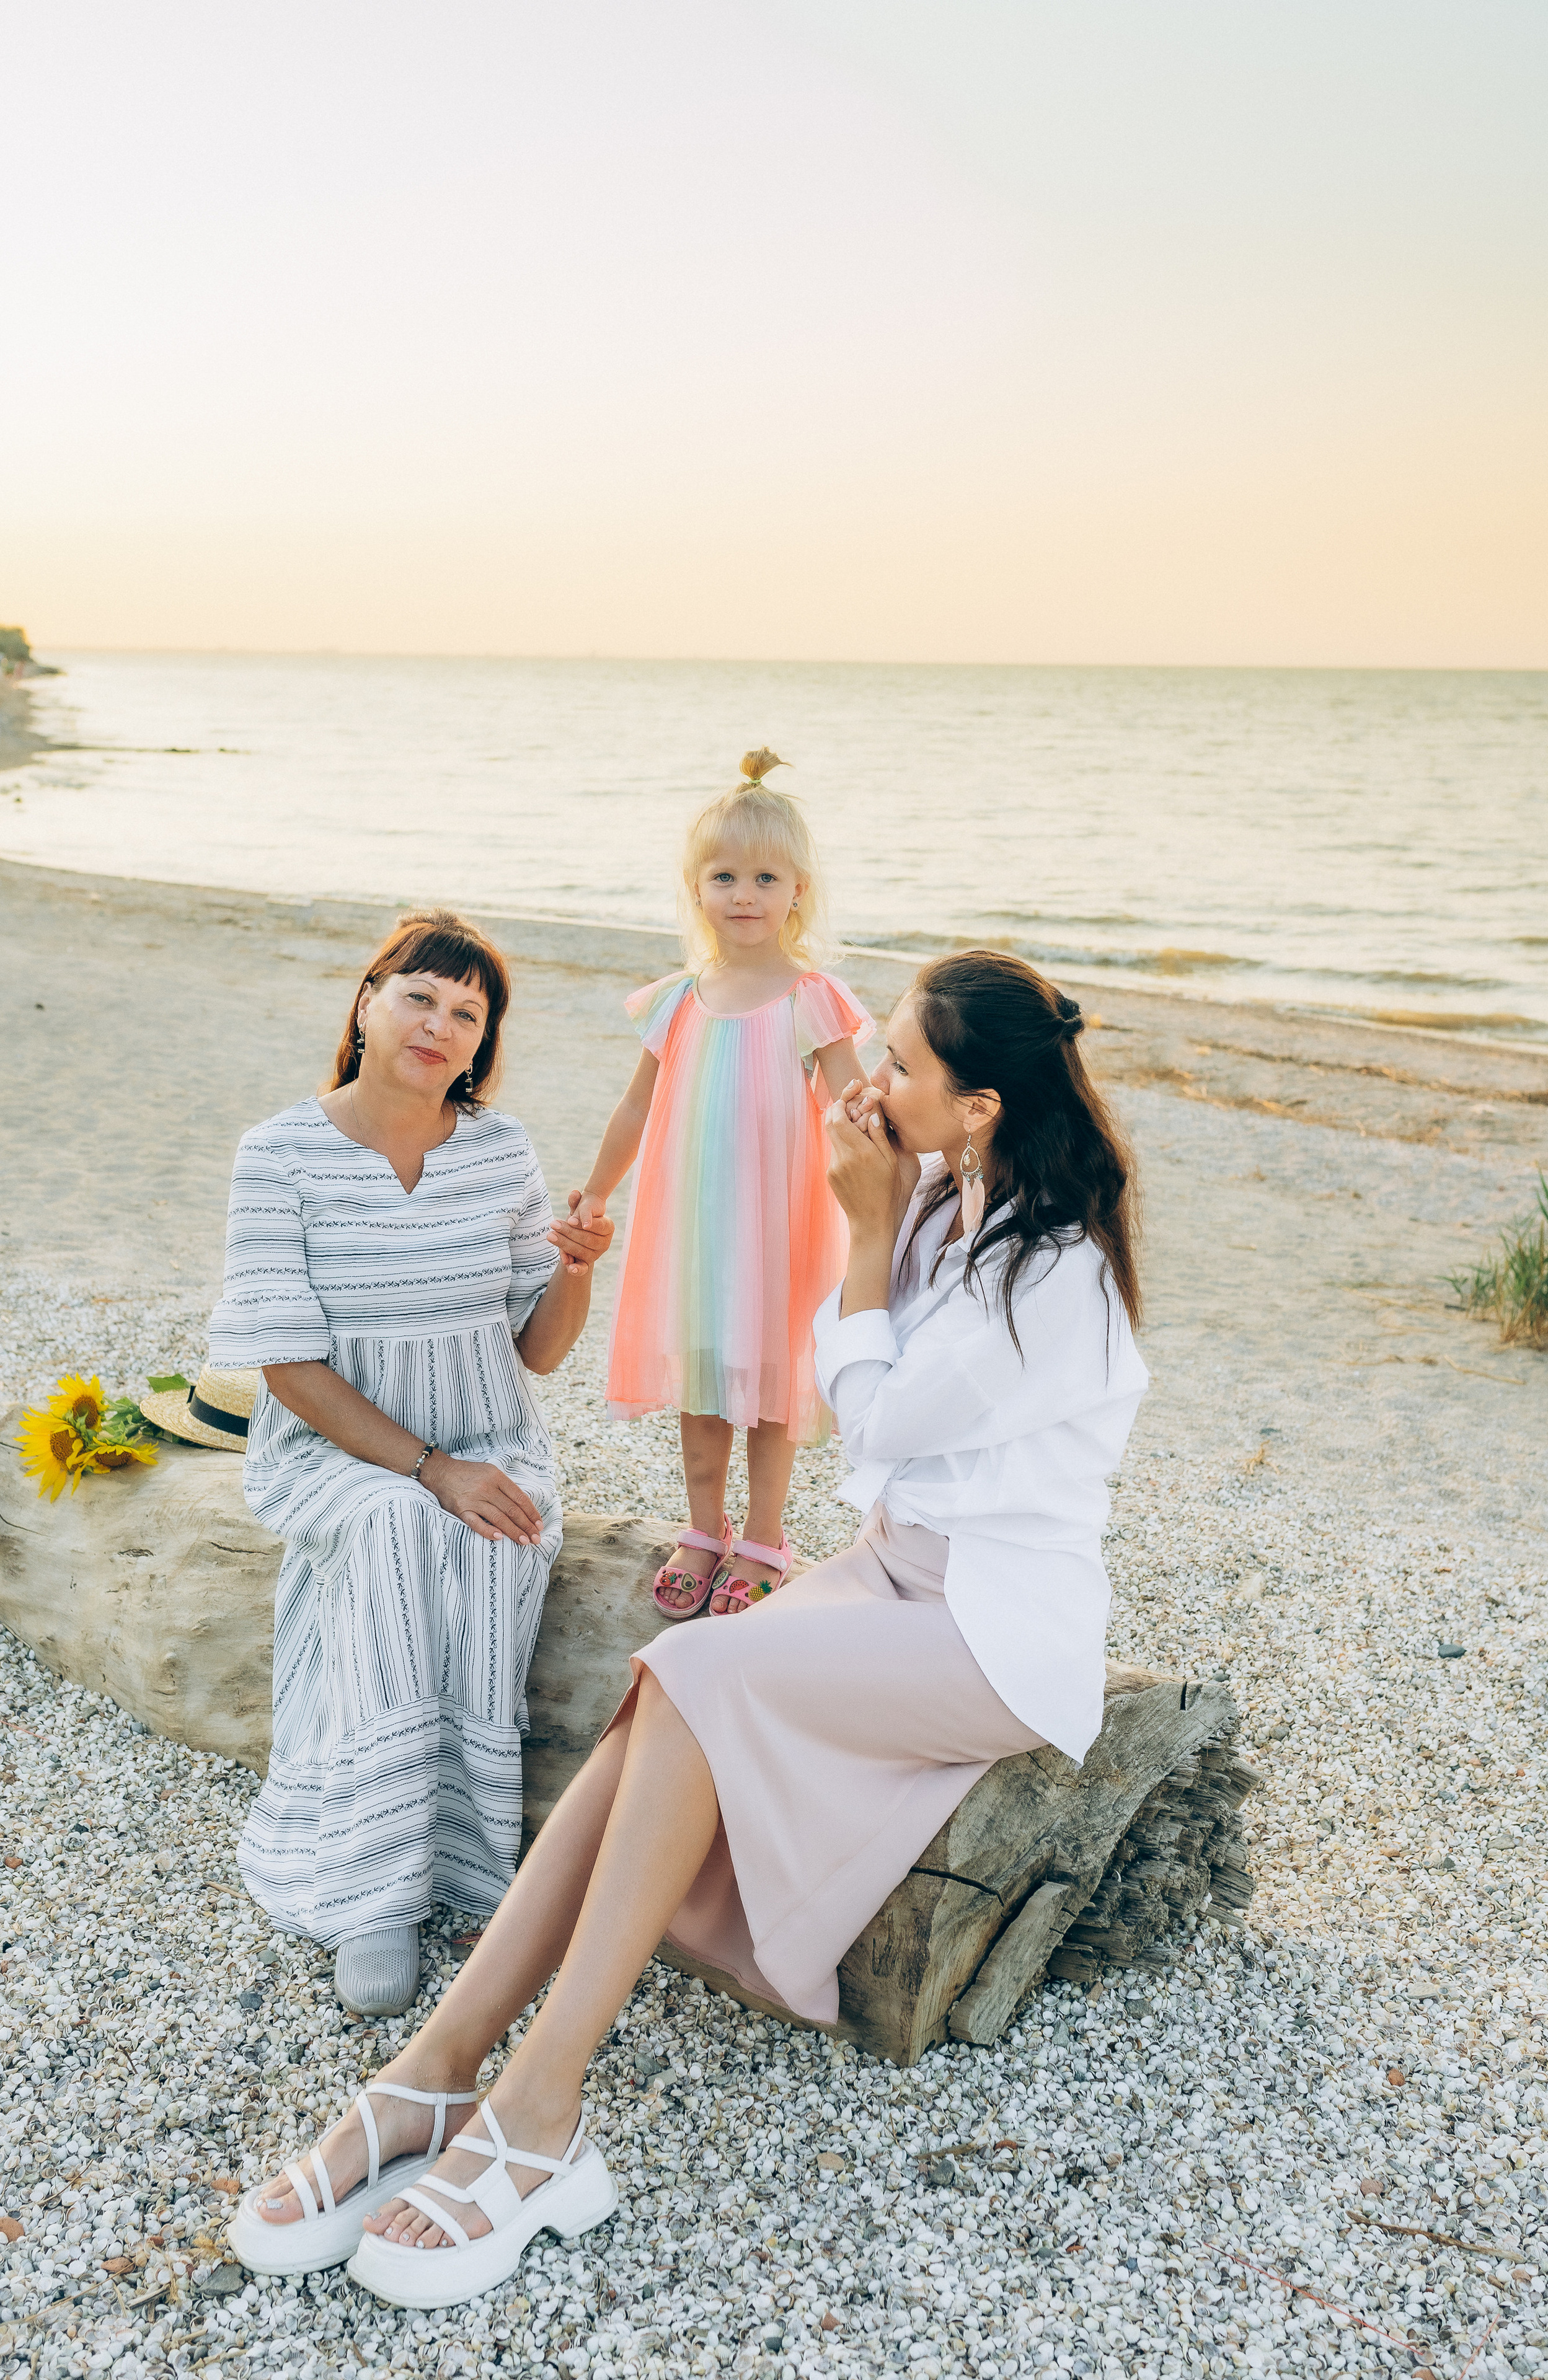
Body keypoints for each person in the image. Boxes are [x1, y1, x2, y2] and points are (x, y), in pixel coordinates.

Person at [229, 948, 1148, 2305]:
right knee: (671, 1686)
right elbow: (873, 1409)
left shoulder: (1054, 1270)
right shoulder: (950, 1195)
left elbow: (870, 1420)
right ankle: (438, 2072)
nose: (868, 1079)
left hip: (993, 1631)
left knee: (693, 1666)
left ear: (980, 1108)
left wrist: (856, 1227)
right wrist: (884, 1216)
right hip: (894, 1574)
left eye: (899, 1066)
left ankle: (536, 2102)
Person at [207, 907, 613, 2030]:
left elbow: (535, 1351)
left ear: (482, 1045)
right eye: (420, 997)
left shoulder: (502, 1153)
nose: (440, 1025)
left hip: (488, 1432)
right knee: (396, 1530)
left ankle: (466, 1858)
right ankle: (372, 1889)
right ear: (367, 1001)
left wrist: (575, 1272)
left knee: (493, 1546)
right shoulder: (278, 1153)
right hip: (337, 1446)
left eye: (467, 1015)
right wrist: (428, 1471)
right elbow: (284, 1364)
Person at [572, 749, 871, 1619]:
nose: (745, 894)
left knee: (772, 1389)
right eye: (724, 876)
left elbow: (851, 1104)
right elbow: (637, 1108)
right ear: (696, 888)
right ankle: (705, 1528)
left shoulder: (812, 998)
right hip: (693, 1228)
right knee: (702, 1385)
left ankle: (767, 1536)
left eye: (765, 877)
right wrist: (595, 1191)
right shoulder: (678, 1000)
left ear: (798, 892)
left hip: (781, 1224)